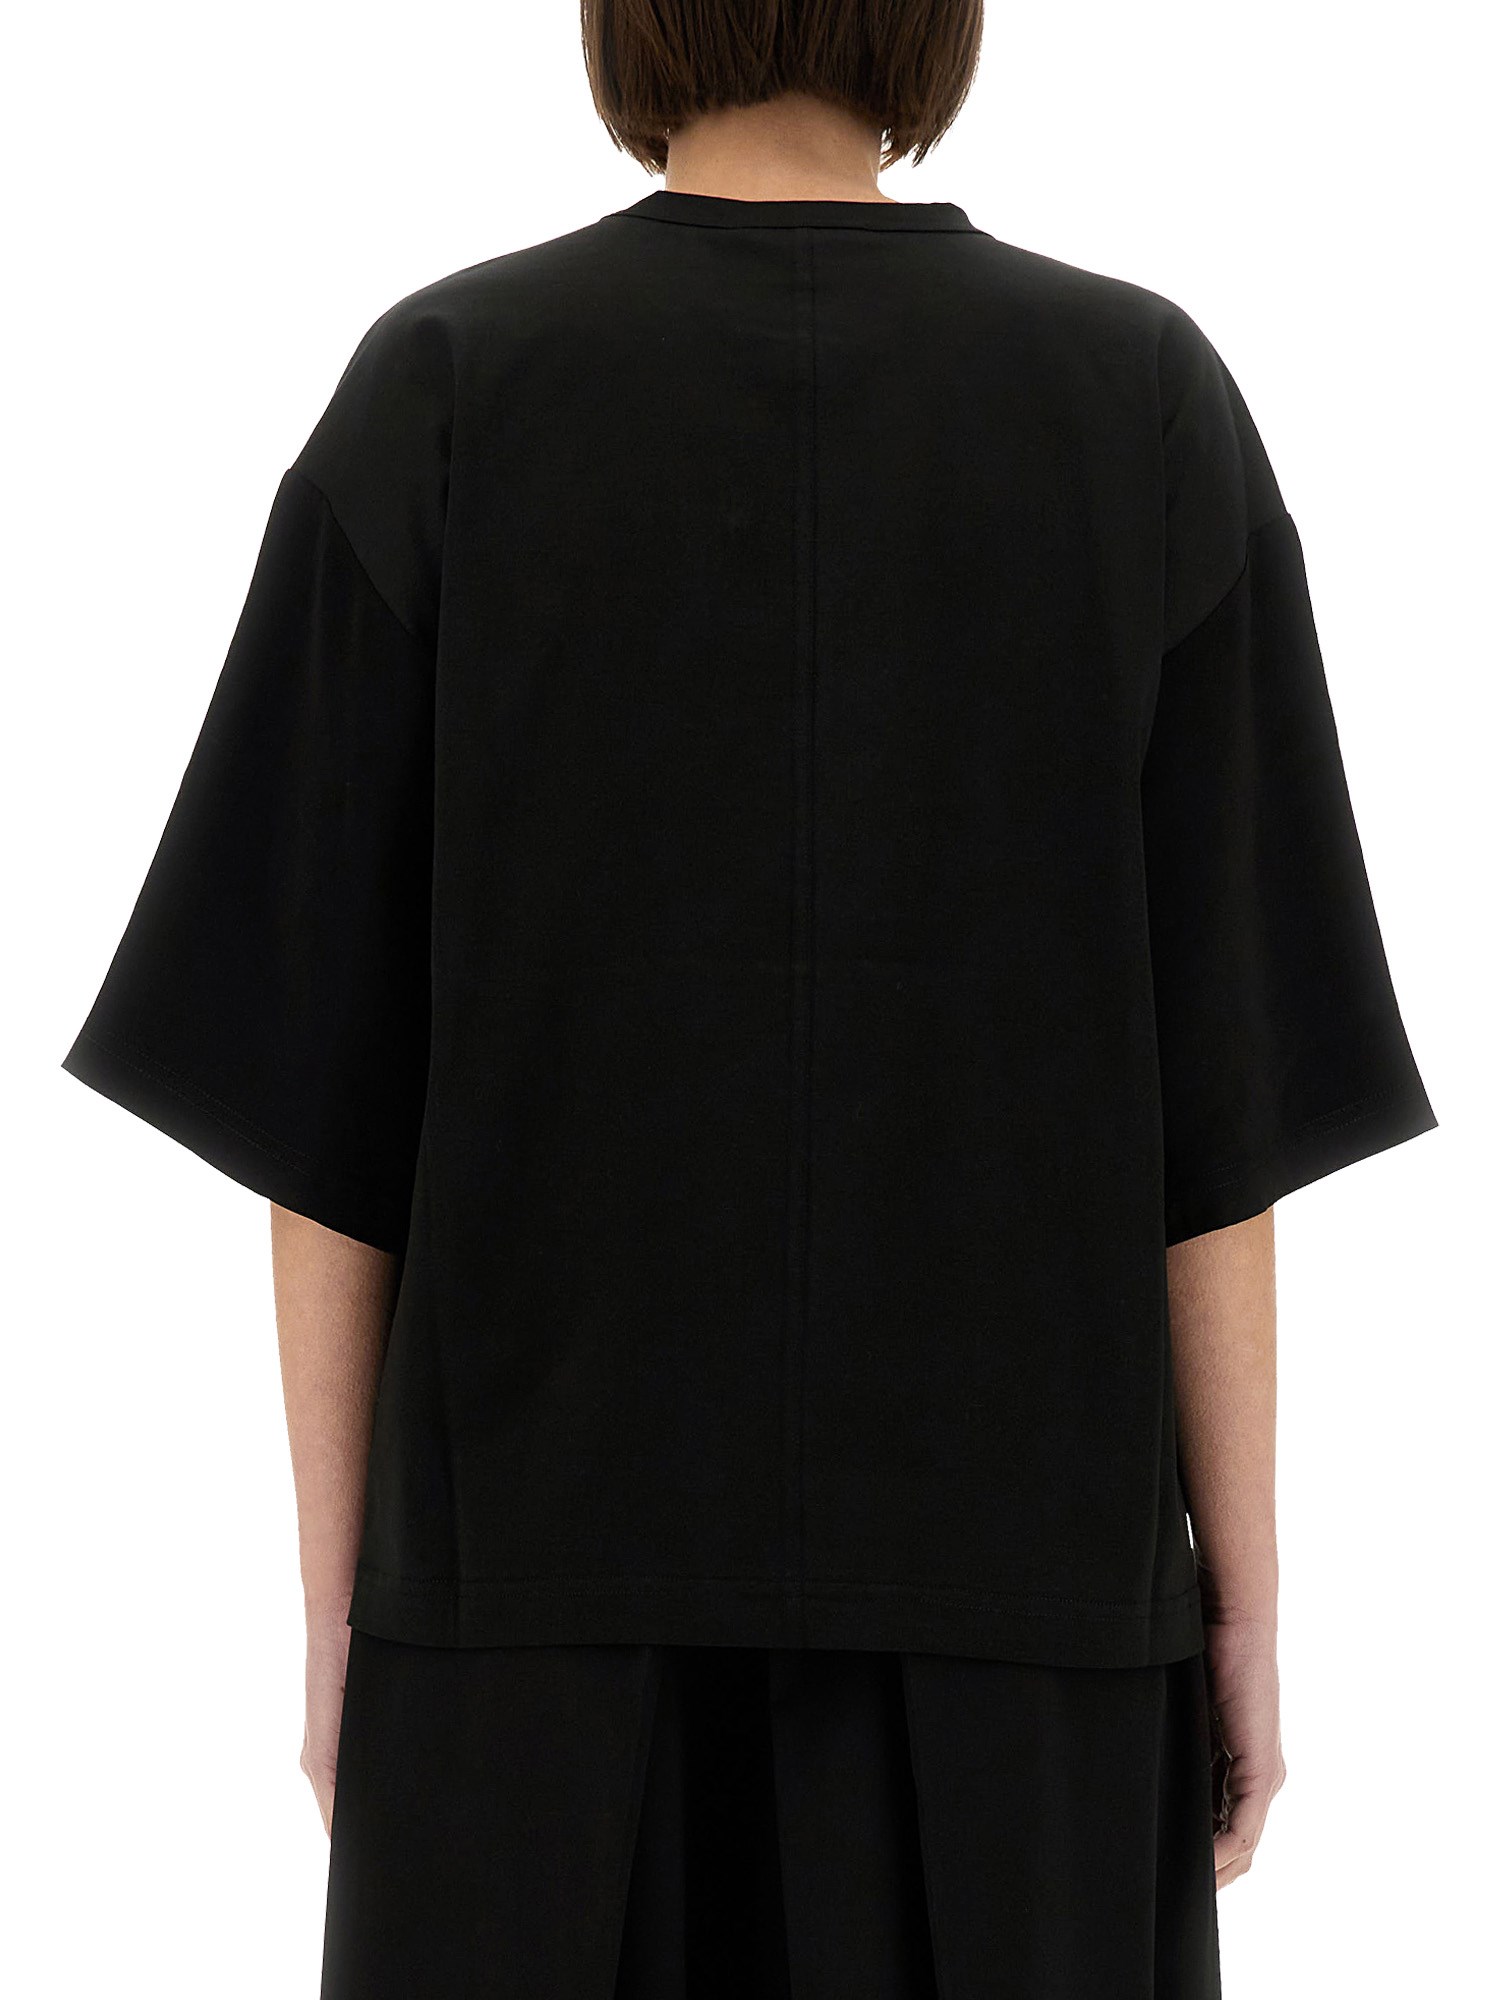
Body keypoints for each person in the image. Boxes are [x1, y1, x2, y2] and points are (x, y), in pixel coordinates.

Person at [61, 2, 1436, 1993]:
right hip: (1029, 1636)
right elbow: (1224, 1126)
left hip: (525, 1632)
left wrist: (342, 1610)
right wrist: (1248, 1604)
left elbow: (321, 1124)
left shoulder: (443, 388)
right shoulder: (1144, 401)